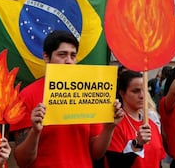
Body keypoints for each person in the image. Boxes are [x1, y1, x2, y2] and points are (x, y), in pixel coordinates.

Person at [10, 30, 124, 168]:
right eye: (62, 55)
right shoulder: (27, 95)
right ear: (46, 57)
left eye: (73, 56)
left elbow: (96, 153)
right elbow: (22, 161)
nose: (69, 61)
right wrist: (35, 131)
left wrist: (109, 127)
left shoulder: (87, 92)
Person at [106, 70, 165, 167]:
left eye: (144, 90)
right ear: (122, 93)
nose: (142, 96)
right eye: (136, 91)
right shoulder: (115, 125)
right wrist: (137, 144)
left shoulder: (151, 125)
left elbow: (159, 161)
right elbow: (114, 164)